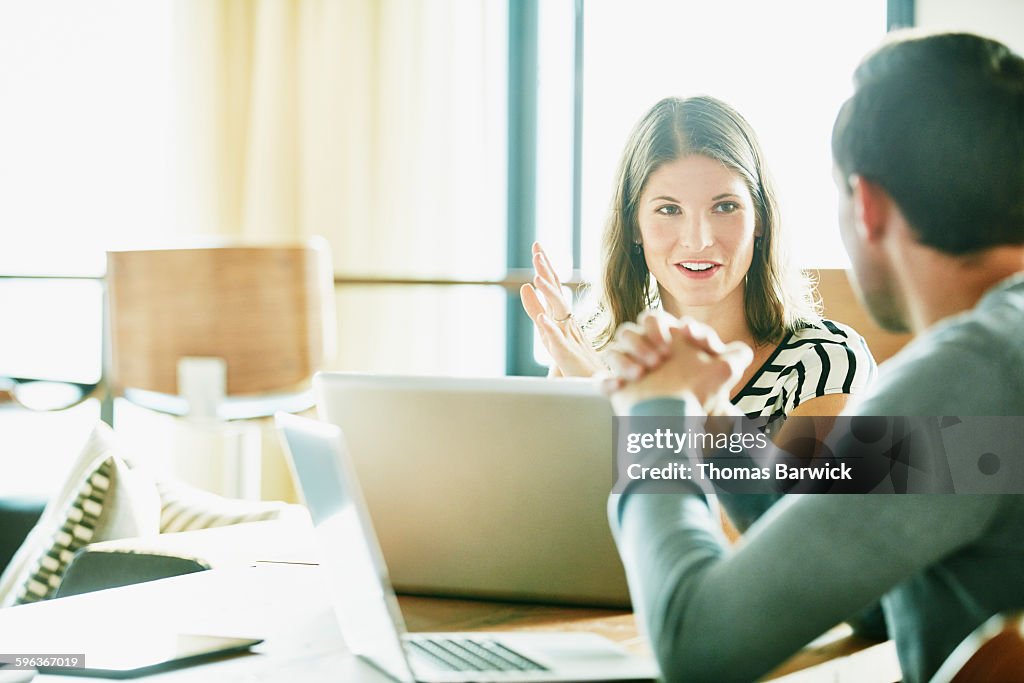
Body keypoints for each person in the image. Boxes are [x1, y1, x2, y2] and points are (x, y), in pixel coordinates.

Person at [604, 31, 1024, 683]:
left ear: (867, 204)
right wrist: (717, 433)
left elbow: (697, 645)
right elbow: (873, 580)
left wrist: (655, 417)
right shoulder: (997, 367)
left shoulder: (969, 376)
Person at [520, 96, 875, 455]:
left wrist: (616, 406)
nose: (698, 239)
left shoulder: (826, 359)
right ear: (633, 227)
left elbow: (780, 510)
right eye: (669, 209)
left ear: (760, 220)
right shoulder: (594, 357)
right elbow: (550, 502)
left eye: (725, 207)